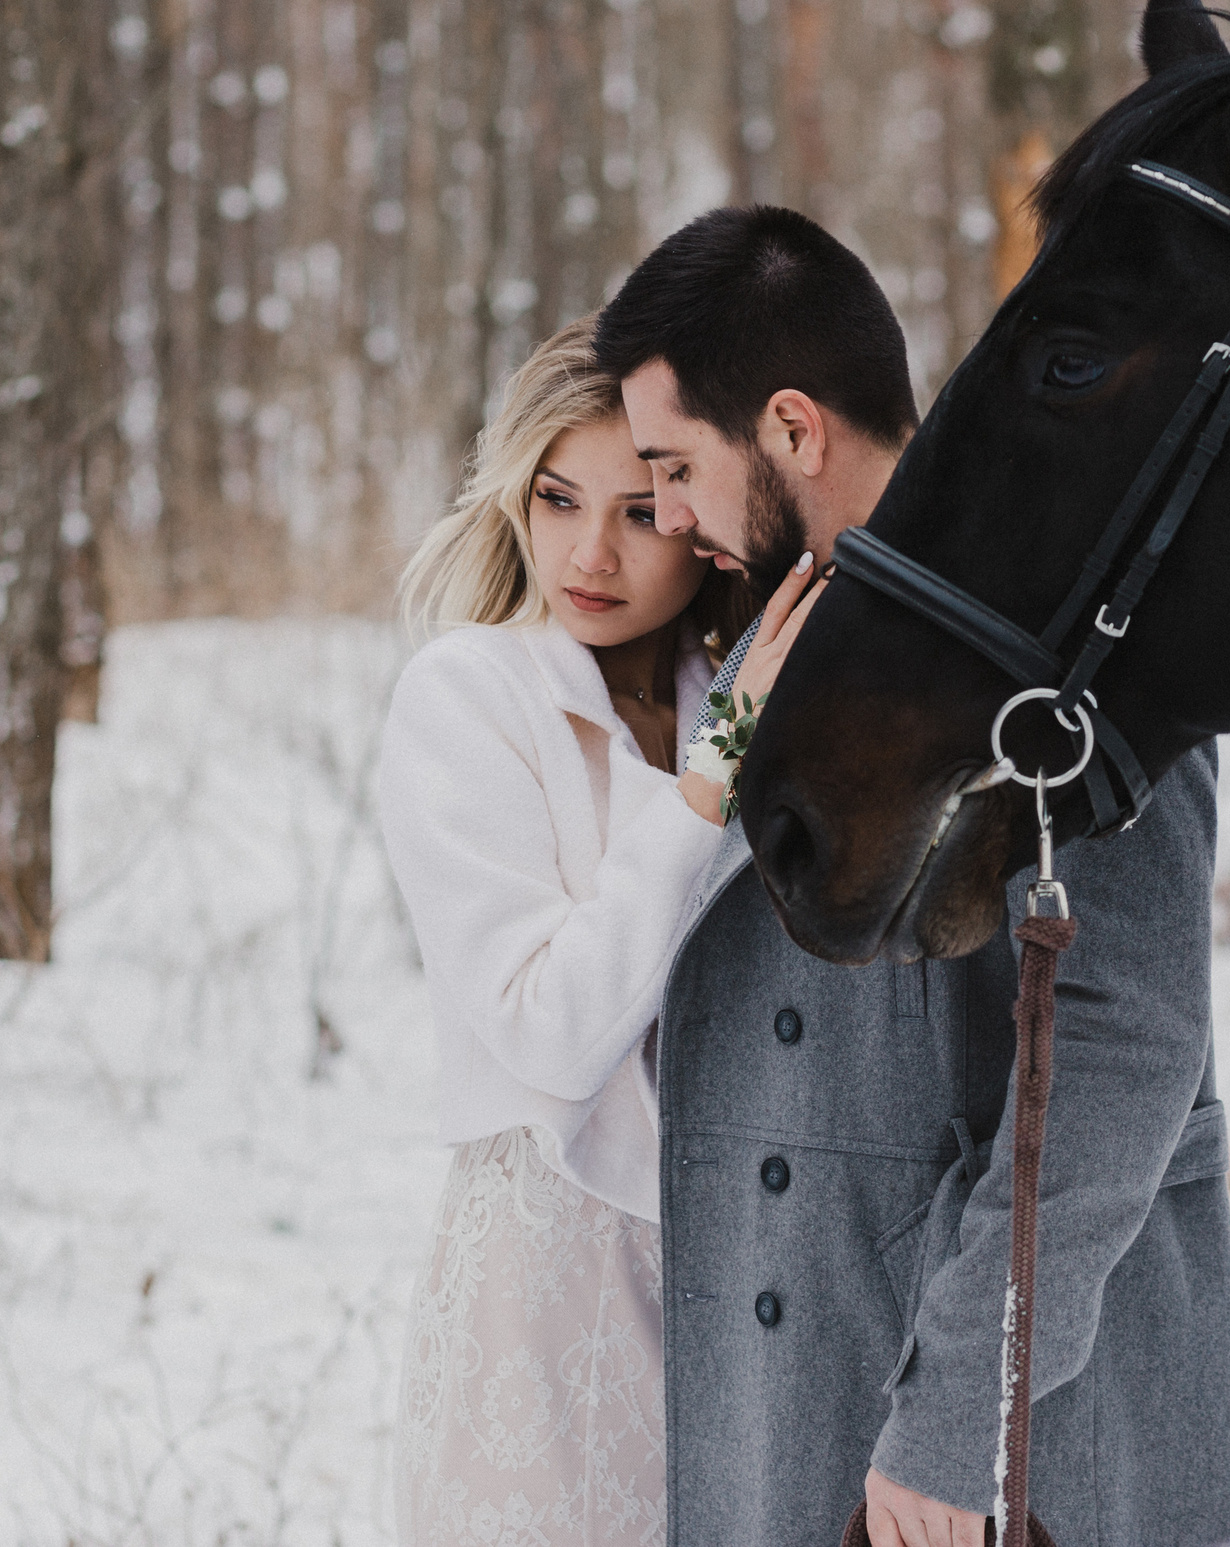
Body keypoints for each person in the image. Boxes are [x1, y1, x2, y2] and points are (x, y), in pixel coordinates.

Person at [594, 209, 1230, 1547]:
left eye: (673, 465)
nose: (664, 515)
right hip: (795, 1377)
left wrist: (968, 1403)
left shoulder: (1066, 614)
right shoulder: (764, 619)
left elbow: (1120, 1040)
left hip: (994, 1421)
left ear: (792, 428)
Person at [378, 314, 822, 1546]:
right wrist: (708, 781)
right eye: (557, 498)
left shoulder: (744, 696)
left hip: (744, 1283)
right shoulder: (467, 695)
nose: (588, 553)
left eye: (639, 511)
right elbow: (549, 1030)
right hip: (543, 1285)